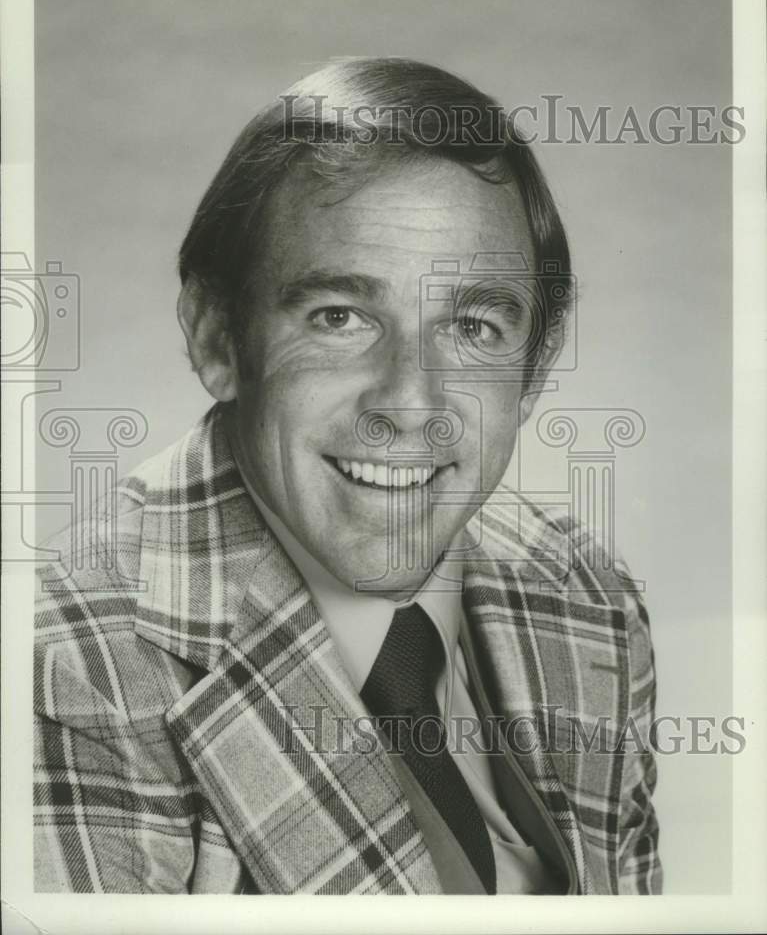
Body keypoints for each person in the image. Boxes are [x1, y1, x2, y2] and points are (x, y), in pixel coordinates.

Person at [34, 57, 662, 895]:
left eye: (472, 326)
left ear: (533, 370)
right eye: (338, 317)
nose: (409, 403)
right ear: (217, 338)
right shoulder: (68, 669)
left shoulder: (588, 601)